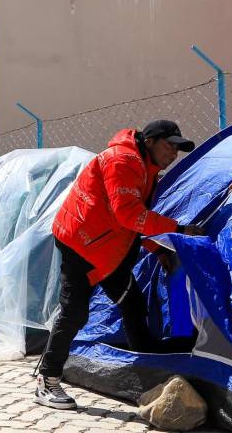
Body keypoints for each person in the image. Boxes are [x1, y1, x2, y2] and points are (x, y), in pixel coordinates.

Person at [34, 120, 204, 410]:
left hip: (109, 249)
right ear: (150, 141)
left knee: (132, 302)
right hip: (81, 244)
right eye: (169, 145)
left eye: (177, 148)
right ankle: (47, 380)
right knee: (75, 311)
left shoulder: (146, 168)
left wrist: (154, 247)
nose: (173, 153)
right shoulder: (122, 161)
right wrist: (180, 230)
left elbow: (135, 219)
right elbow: (128, 214)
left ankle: (147, 364)